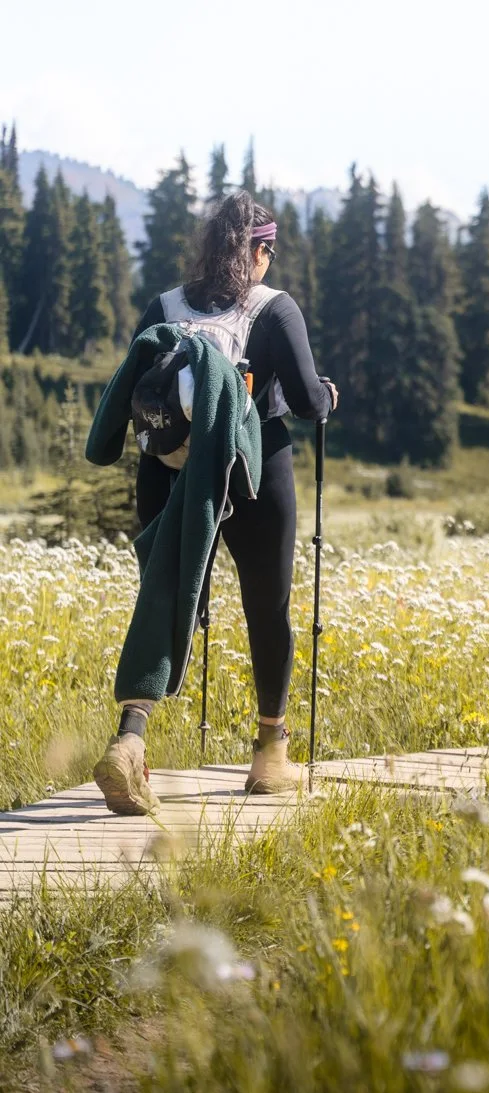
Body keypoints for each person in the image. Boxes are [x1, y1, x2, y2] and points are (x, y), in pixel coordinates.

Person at [92, 190, 337, 813]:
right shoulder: (275, 310)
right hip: (250, 471)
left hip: (167, 473)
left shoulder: (165, 306)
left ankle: (130, 741)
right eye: (268, 251)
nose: (270, 261)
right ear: (256, 251)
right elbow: (307, 402)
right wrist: (329, 397)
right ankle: (269, 755)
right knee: (266, 605)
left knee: (166, 596)